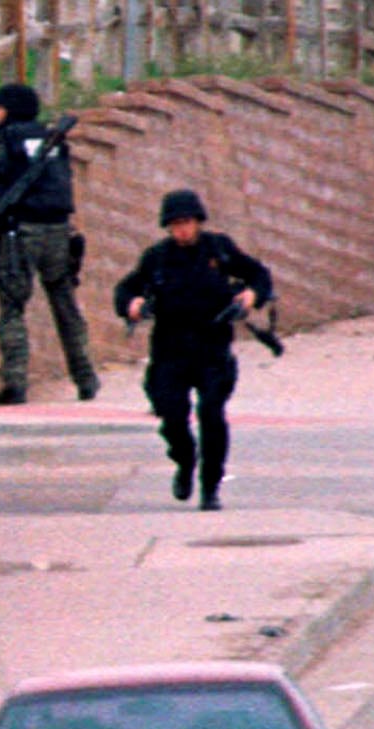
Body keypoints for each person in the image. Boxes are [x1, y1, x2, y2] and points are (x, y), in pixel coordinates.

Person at [112, 189, 273, 512]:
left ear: (198, 222)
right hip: (170, 349)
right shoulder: (157, 257)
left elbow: (258, 274)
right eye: (175, 224)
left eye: (187, 222)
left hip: (212, 345)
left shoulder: (219, 249)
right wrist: (132, 304)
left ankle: (210, 486)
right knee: (172, 418)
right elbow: (126, 288)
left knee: (212, 414)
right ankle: (185, 461)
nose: (182, 229)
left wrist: (251, 297)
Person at [0, 82, 98, 405]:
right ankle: (86, 378)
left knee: (12, 309)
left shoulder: (0, 142)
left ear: (9, 109)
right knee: (65, 306)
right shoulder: (51, 139)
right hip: (58, 233)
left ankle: (16, 384)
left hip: (18, 233)